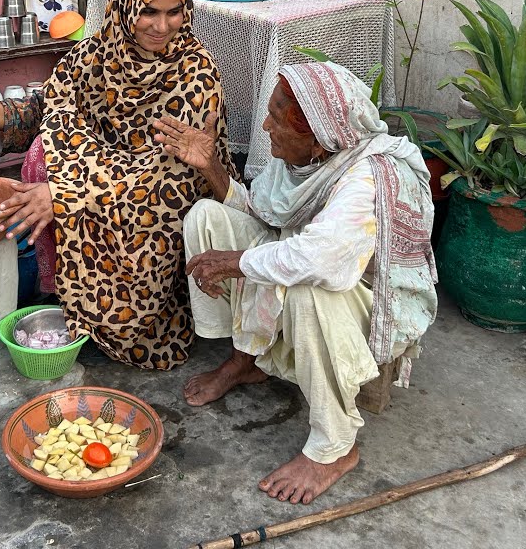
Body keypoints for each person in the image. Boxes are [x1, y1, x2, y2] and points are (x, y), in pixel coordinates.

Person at [0, 0, 236, 370]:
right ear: (124, 4)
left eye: (174, 11)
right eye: (149, 11)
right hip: (104, 179)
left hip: (160, 195)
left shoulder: (195, 73)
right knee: (45, 150)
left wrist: (66, 195)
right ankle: (68, 298)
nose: (162, 26)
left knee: (85, 191)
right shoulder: (96, 56)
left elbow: (166, 172)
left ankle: (121, 321)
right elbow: (48, 107)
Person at [153, 60, 438, 505]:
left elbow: (322, 260)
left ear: (316, 136)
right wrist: (211, 167)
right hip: (319, 271)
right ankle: (244, 360)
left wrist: (236, 263)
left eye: (275, 119)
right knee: (206, 217)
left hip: (364, 300)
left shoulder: (369, 176)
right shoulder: (305, 161)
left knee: (307, 288)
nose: (265, 126)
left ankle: (334, 448)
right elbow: (263, 216)